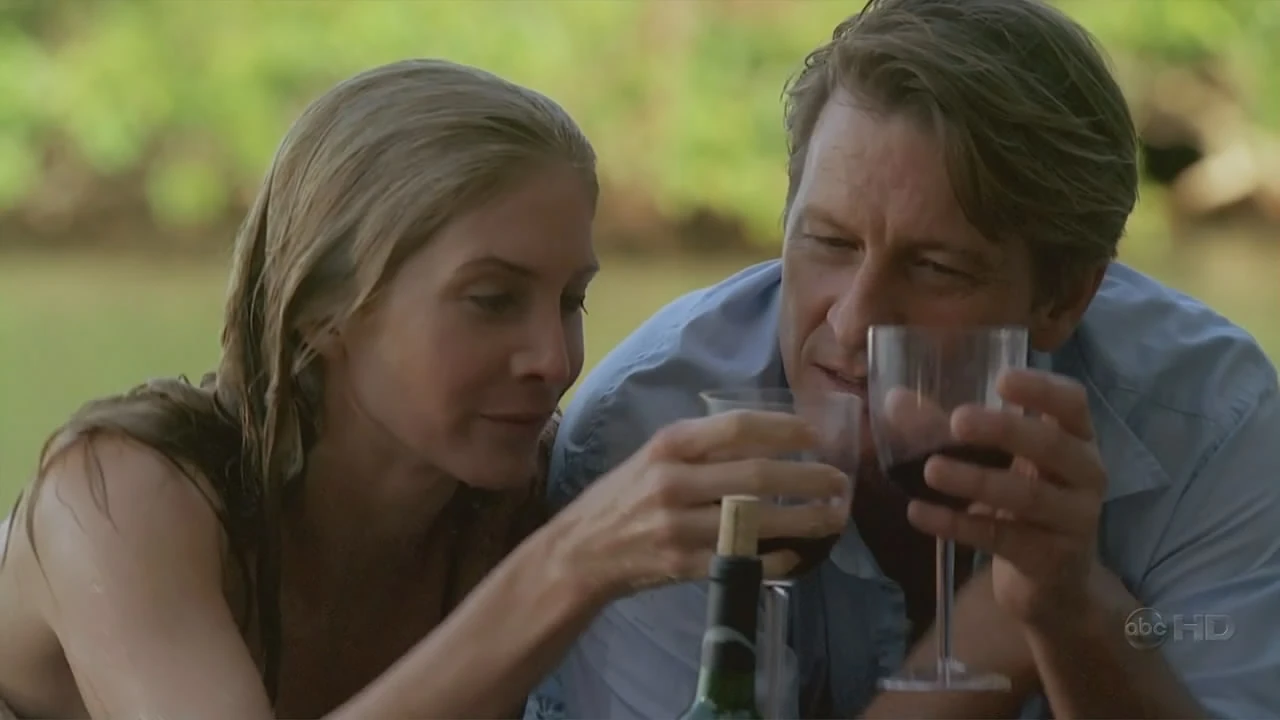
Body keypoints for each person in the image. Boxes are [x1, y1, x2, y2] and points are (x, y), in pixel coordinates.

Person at [0, 59, 851, 719]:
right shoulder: (124, 495)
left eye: (570, 301)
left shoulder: (512, 509)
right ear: (322, 312)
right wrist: (572, 564)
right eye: (492, 299)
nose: (554, 359)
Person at [527, 1, 1280, 718]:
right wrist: (975, 657)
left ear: (1064, 299)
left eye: (936, 268)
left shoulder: (1213, 423)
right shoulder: (653, 422)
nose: (853, 320)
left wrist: (1071, 612)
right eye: (829, 242)